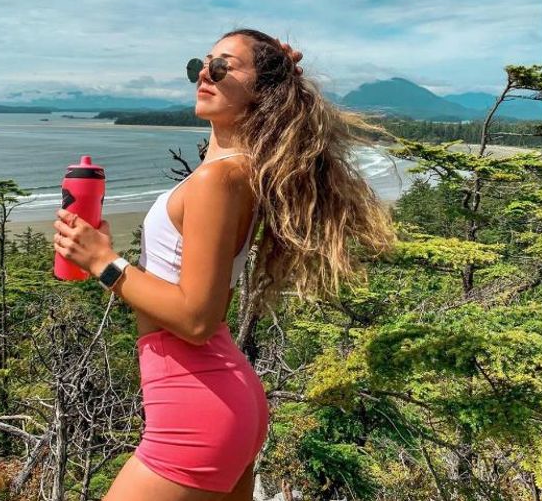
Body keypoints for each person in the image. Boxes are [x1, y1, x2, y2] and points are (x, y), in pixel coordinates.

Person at [52, 29, 394, 500]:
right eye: (201, 65)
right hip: (218, 398)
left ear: (262, 91)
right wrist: (105, 259)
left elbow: (195, 318)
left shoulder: (219, 179)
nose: (203, 76)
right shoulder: (230, 169)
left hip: (194, 405)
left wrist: (105, 263)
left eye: (222, 68)